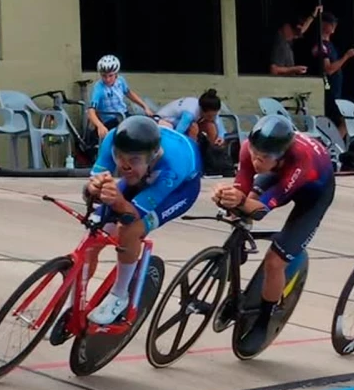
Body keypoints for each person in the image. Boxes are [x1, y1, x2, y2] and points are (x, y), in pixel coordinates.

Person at [212, 114, 335, 353]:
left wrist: (241, 203)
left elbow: (261, 209)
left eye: (264, 157)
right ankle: (235, 289)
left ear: (280, 156)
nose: (256, 161)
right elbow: (242, 187)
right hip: (280, 173)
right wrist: (224, 196)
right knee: (238, 213)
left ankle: (264, 320)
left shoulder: (301, 162)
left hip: (313, 193)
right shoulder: (250, 149)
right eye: (254, 154)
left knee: (275, 262)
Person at [82, 116, 203, 325]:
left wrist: (117, 201)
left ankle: (119, 296)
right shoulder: (113, 139)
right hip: (145, 175)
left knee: (130, 229)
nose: (124, 166)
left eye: (134, 160)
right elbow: (90, 192)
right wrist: (93, 188)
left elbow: (132, 214)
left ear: (153, 156)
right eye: (119, 157)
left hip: (179, 190)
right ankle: (74, 299)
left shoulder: (172, 167)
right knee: (94, 233)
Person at [86, 54, 155, 142]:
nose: (107, 79)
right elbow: (91, 110)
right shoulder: (98, 88)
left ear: (116, 74)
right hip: (110, 120)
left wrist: (145, 107)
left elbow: (129, 93)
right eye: (104, 76)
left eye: (110, 76)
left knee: (145, 125)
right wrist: (100, 125)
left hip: (124, 115)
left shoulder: (121, 81)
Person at [313, 12, 354, 140]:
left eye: (334, 23)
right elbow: (329, 69)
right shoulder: (320, 46)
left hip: (336, 91)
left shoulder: (330, 45)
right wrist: (346, 56)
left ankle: (333, 144)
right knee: (345, 121)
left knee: (343, 121)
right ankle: (332, 145)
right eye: (330, 23)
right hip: (328, 91)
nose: (333, 26)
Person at [155, 88, 224, 145]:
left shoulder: (211, 110)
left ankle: (214, 150)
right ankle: (194, 150)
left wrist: (221, 137)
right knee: (193, 127)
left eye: (214, 115)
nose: (212, 118)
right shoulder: (190, 113)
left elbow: (220, 127)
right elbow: (179, 132)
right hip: (165, 120)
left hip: (183, 122)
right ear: (202, 111)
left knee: (210, 126)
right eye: (209, 116)